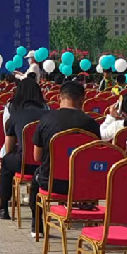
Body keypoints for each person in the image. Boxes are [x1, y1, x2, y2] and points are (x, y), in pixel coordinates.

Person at [29, 81, 98, 235]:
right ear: (82, 99)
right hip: (82, 185)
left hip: (52, 183)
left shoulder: (46, 120)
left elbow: (37, 157)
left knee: (36, 178)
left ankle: (37, 227)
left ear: (59, 97)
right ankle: (92, 229)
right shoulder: (91, 124)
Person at [0, 75, 47, 219]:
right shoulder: (48, 113)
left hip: (24, 163)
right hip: (45, 165)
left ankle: (3, 207)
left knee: (6, 161)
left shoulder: (15, 113)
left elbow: (9, 146)